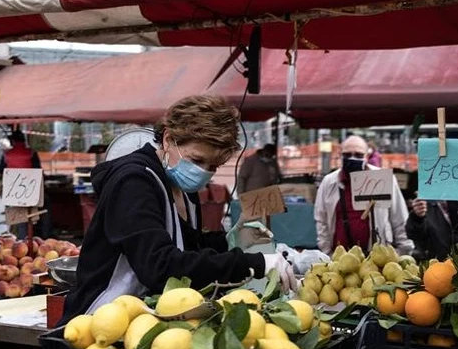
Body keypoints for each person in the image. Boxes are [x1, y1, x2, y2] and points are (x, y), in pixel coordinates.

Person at [60, 95, 296, 322]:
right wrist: (252, 264)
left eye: (213, 165)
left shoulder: (182, 186)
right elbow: (159, 266)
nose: (204, 172)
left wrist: (231, 240)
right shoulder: (132, 183)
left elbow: (186, 247)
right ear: (168, 139)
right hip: (104, 318)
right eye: (197, 160)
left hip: (151, 315)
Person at [314, 135, 413, 255]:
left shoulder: (384, 179)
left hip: (377, 257)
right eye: (347, 154)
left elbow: (399, 217)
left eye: (358, 155)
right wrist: (326, 251)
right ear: (340, 155)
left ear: (367, 156)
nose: (352, 158)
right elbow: (321, 219)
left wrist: (403, 250)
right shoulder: (329, 182)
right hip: (339, 258)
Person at [0, 130, 50, 239]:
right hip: (30, 189)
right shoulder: (31, 152)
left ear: (12, 141)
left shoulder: (6, 154)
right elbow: (38, 170)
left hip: (12, 190)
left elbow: (1, 170)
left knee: (18, 217)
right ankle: (41, 237)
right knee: (36, 212)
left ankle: (20, 239)